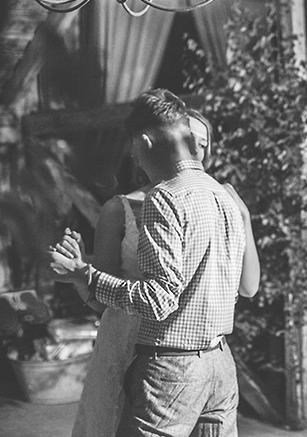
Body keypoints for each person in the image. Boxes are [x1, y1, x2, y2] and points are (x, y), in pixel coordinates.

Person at [50, 89, 260, 437]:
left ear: (145, 141)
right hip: (220, 363)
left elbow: (159, 300)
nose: (134, 157)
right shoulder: (225, 197)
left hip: (172, 367)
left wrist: (82, 273)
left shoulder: (165, 197)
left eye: (133, 148)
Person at [67, 107, 217, 437]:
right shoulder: (119, 209)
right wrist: (80, 275)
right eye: (186, 138)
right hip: (127, 342)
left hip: (194, 354)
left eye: (201, 143)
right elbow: (100, 303)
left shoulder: (218, 202)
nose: (193, 149)